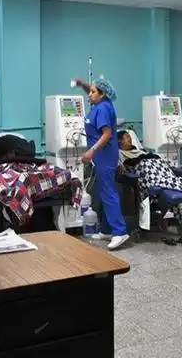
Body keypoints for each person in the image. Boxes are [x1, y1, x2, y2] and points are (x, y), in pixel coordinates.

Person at [72, 77, 129, 250]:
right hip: (101, 156)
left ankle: (120, 232)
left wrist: (92, 151)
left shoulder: (103, 108)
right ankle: (106, 229)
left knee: (108, 192)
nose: (89, 94)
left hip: (104, 154)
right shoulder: (101, 102)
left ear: (102, 94)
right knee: (101, 191)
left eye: (92, 92)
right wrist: (83, 84)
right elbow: (95, 89)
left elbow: (106, 134)